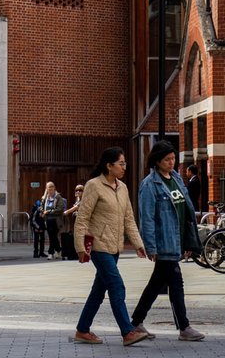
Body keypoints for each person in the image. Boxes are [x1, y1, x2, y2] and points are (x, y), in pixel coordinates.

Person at [72, 146, 150, 346]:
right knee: (116, 285)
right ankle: (127, 331)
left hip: (115, 248)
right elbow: (82, 218)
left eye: (125, 163)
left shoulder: (122, 188)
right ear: (109, 166)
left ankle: (82, 329)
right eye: (121, 164)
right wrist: (80, 247)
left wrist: (138, 244)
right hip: (99, 246)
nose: (124, 167)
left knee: (98, 291)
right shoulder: (93, 185)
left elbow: (129, 220)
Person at [131, 140, 206, 343]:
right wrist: (151, 246)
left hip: (177, 241)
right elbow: (147, 218)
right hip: (163, 242)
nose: (171, 162)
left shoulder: (177, 179)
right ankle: (184, 327)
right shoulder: (150, 185)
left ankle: (135, 322)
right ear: (157, 161)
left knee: (156, 285)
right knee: (176, 283)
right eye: (167, 159)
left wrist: (188, 243)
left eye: (173, 159)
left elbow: (185, 212)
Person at [42, 180, 66, 259]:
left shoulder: (58, 197)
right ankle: (58, 250)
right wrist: (41, 211)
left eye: (52, 187)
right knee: (52, 236)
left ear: (54, 188)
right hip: (47, 220)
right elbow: (42, 207)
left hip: (56, 220)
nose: (51, 188)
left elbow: (60, 209)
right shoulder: (45, 197)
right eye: (49, 187)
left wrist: (48, 211)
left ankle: (50, 253)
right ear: (47, 188)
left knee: (52, 236)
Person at [61, 183, 84, 260]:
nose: (78, 192)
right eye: (76, 190)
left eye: (80, 190)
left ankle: (83, 254)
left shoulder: (84, 200)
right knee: (76, 237)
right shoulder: (77, 199)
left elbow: (76, 207)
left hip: (82, 222)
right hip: (76, 221)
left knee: (81, 238)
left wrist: (67, 212)